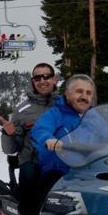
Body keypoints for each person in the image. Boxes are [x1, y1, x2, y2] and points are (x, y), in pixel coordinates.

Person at [0, 63, 58, 215]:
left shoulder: (64, 104)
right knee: (31, 179)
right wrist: (8, 134)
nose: (42, 81)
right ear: (33, 82)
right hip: (33, 160)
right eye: (37, 78)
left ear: (54, 79)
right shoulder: (22, 110)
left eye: (46, 76)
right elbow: (11, 149)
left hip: (62, 160)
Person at [31, 74, 96, 206]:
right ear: (67, 94)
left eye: (88, 93)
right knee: (48, 202)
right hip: (60, 172)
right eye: (79, 91)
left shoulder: (95, 118)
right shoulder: (56, 113)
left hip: (90, 171)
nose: (84, 96)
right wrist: (49, 140)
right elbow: (40, 129)